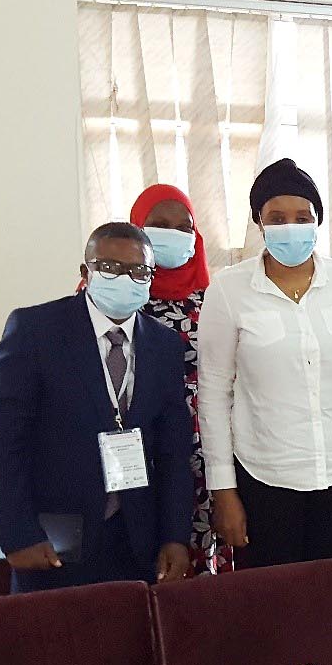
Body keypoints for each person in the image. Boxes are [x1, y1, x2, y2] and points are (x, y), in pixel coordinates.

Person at [198, 157, 332, 570]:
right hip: (263, 479)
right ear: (259, 222)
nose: (291, 226)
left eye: (302, 216)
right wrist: (224, 489)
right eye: (277, 217)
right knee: (274, 608)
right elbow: (214, 396)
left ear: (317, 221)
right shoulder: (228, 291)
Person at [0, 222, 193, 594]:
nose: (126, 279)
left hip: (136, 539)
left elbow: (174, 451)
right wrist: (17, 534)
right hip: (53, 538)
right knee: (53, 647)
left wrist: (175, 536)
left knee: (131, 648)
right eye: (110, 268)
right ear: (86, 272)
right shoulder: (35, 331)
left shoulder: (164, 345)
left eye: (139, 271)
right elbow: (5, 443)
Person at [129, 184, 225, 574]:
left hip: (203, 448)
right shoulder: (117, 295)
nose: (172, 234)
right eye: (158, 225)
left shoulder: (213, 299)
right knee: (139, 551)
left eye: (183, 227)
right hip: (137, 447)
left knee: (199, 558)